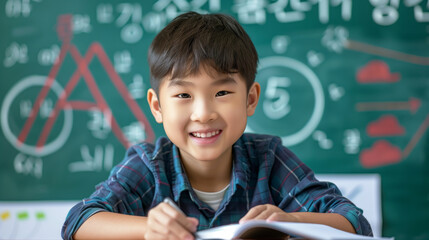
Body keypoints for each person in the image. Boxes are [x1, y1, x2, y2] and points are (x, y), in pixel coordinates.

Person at [62, 11, 372, 240]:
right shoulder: (148, 166)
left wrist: (291, 221)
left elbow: (355, 222)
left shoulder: (269, 159)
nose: (203, 113)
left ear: (250, 99)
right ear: (157, 107)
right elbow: (77, 222)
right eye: (183, 94)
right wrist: (149, 228)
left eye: (222, 93)